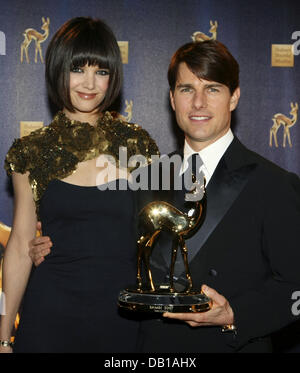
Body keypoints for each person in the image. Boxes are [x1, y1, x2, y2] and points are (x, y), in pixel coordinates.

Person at [28, 40, 300, 353]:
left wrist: (234, 313)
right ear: (172, 99)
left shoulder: (272, 184)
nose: (198, 103)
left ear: (234, 97)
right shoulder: (144, 176)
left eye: (212, 89)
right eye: (186, 89)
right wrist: (55, 246)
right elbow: (122, 254)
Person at [0, 17, 159, 353]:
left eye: (101, 71)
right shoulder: (31, 152)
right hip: (48, 318)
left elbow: (157, 242)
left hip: (122, 322)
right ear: (58, 70)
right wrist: (3, 338)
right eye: (78, 69)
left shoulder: (138, 147)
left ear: (113, 77)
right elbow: (18, 247)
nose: (89, 83)